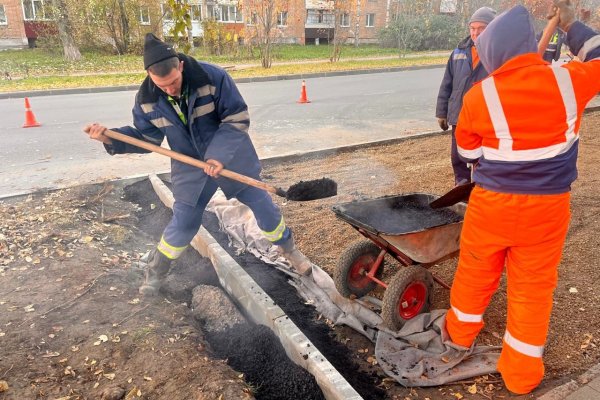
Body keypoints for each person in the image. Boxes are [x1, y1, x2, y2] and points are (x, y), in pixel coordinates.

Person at [445, 2, 600, 395]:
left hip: (492, 204)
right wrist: (572, 28)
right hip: (547, 210)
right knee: (532, 288)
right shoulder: (570, 80)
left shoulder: (481, 96)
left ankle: (457, 338)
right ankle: (521, 375)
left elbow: (468, 153)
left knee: (476, 272)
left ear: (495, 54)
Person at [84, 33, 313, 296]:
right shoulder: (147, 99)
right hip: (189, 166)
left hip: (232, 158)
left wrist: (217, 155)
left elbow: (236, 118)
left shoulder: (212, 78)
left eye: (173, 82)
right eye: (162, 86)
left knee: (264, 207)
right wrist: (110, 137)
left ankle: (291, 252)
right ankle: (155, 273)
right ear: (149, 75)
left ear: (180, 66)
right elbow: (148, 138)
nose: (170, 90)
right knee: (184, 222)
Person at [435, 7, 496, 185]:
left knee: (482, 156)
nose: (475, 32)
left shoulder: (497, 54)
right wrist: (441, 112)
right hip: (459, 115)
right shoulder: (458, 53)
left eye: (481, 28)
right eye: (472, 28)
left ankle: (481, 187)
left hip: (484, 118)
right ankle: (461, 186)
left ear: (492, 28)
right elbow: (447, 84)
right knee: (458, 156)